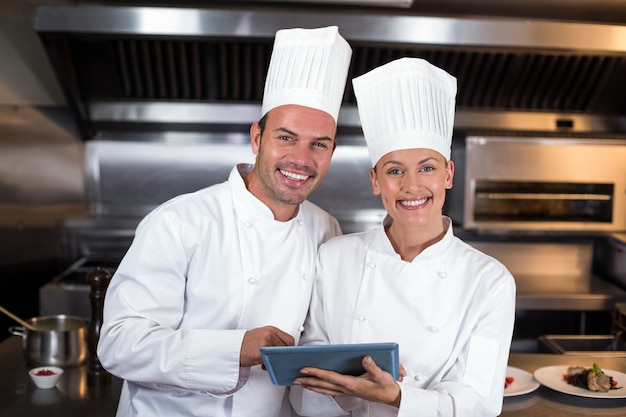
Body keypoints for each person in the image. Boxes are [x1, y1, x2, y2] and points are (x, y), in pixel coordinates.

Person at [97, 26, 352, 417]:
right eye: (286, 137)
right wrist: (237, 349)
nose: (302, 158)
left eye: (319, 144)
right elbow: (118, 343)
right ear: (257, 138)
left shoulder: (326, 229)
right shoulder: (180, 221)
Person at [289, 57, 516, 416]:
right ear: (375, 180)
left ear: (448, 174)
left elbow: (479, 404)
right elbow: (310, 366)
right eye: (395, 170)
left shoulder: (489, 281)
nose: (412, 186)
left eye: (427, 167)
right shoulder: (333, 258)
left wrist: (397, 397)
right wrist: (348, 390)